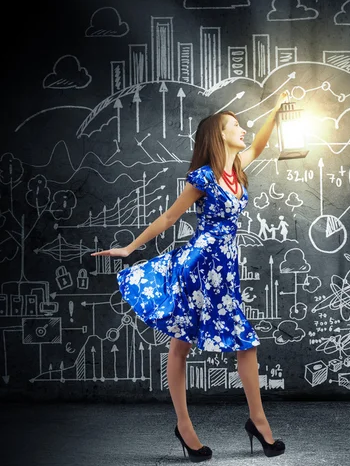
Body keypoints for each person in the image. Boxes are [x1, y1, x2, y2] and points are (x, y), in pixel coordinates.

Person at [91, 91, 289, 462]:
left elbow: (260, 145)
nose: (243, 130)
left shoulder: (237, 171)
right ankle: (187, 426)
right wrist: (129, 248)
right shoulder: (203, 177)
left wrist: (276, 112)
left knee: (244, 343)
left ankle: (258, 421)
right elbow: (169, 218)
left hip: (225, 267)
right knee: (183, 344)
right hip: (200, 264)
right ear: (218, 135)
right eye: (235, 126)